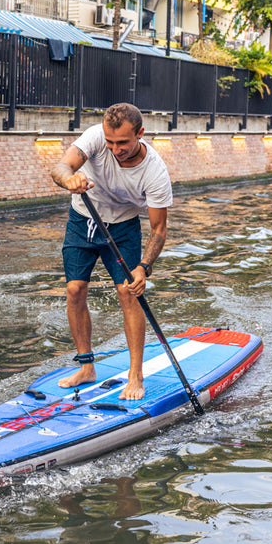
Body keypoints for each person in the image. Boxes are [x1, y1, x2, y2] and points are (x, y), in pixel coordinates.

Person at [50, 102, 173, 400]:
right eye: (110, 142)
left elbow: (158, 229)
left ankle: (135, 374)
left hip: (123, 227)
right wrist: (69, 179)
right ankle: (86, 367)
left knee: (128, 292)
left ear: (140, 134)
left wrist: (144, 267)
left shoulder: (154, 171)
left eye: (123, 143)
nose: (115, 149)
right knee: (74, 289)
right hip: (83, 219)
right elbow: (60, 167)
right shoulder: (95, 137)